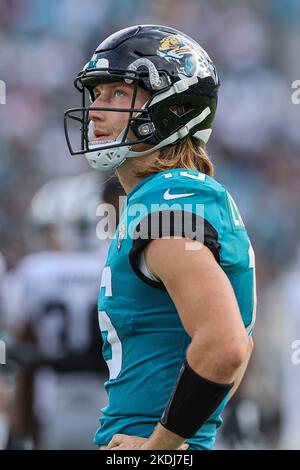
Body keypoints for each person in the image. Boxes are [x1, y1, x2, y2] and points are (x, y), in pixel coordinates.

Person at [65, 24, 256, 451]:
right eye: (96, 93)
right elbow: (239, 341)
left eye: (117, 93)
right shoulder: (167, 197)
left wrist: (159, 448)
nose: (95, 109)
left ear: (172, 109)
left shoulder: (167, 204)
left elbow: (225, 346)